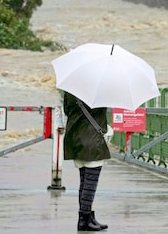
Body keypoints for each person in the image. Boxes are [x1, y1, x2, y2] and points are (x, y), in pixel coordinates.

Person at [63, 91, 110, 231]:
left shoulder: (70, 91)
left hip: (75, 138)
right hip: (91, 139)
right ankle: (84, 220)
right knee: (90, 183)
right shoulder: (97, 92)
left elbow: (67, 111)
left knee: (84, 181)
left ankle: (87, 216)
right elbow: (99, 111)